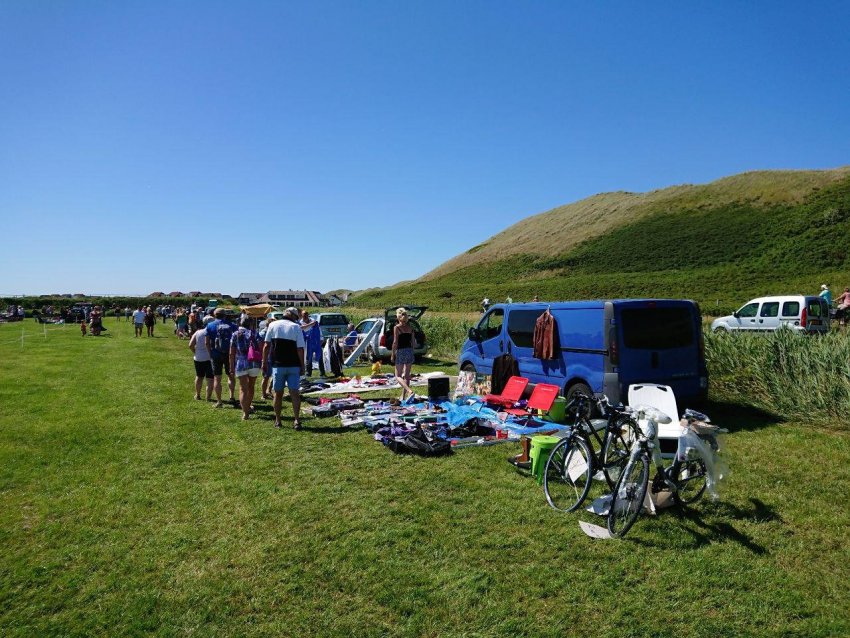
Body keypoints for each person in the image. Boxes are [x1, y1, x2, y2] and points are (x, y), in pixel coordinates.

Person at [263, 307, 306, 430]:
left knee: (278, 393)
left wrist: (264, 362)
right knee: (294, 393)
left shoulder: (273, 325)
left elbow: (266, 345)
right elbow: (300, 349)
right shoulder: (296, 327)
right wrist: (302, 366)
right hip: (293, 365)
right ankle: (297, 420)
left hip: (278, 365)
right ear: (293, 316)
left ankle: (278, 420)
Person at [230, 317, 263, 420]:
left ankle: (245, 413)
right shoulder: (254, 333)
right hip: (254, 363)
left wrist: (231, 366)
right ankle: (248, 407)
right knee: (251, 387)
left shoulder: (235, 334)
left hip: (241, 363)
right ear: (251, 324)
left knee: (243, 389)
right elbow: (261, 347)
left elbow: (232, 352)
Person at [205, 308, 237, 407]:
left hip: (216, 354)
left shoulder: (210, 325)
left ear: (214, 315)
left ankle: (219, 401)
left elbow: (206, 342)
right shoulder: (232, 325)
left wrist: (210, 353)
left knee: (217, 378)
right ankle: (232, 397)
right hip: (229, 354)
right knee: (231, 375)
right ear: (224, 315)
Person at [391, 307, 416, 401]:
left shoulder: (397, 327)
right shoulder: (411, 328)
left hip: (401, 351)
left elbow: (395, 342)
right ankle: (403, 396)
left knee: (397, 376)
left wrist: (393, 354)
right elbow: (413, 343)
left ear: (398, 317)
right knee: (407, 376)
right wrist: (412, 352)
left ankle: (409, 391)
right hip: (409, 351)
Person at [189, 316, 214, 401]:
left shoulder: (198, 332)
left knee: (199, 377)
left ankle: (198, 395)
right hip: (209, 358)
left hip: (198, 358)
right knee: (210, 378)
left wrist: (195, 352)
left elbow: (190, 345)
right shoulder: (213, 332)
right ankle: (208, 397)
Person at [300, 310, 325, 377]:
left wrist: (321, 339)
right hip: (307, 342)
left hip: (316, 341)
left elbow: (319, 330)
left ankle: (322, 372)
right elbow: (301, 330)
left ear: (308, 315)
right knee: (309, 358)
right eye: (303, 315)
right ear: (301, 316)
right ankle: (308, 372)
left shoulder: (314, 321)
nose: (305, 317)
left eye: (306, 315)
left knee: (320, 356)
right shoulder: (300, 323)